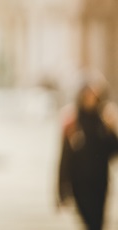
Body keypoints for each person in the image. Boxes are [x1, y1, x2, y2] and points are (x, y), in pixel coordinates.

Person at [57, 71, 118, 230]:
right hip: (79, 184)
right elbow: (64, 158)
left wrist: (112, 129)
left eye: (94, 95)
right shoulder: (73, 121)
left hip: (100, 182)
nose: (91, 98)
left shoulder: (103, 120)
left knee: (97, 224)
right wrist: (61, 189)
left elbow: (114, 151)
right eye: (88, 94)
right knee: (88, 221)